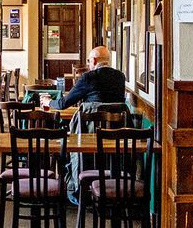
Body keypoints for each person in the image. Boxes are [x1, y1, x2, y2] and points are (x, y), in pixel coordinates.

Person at [40, 46, 127, 204]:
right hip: (115, 140)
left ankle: (76, 187)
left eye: (88, 61)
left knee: (65, 143)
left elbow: (63, 103)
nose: (88, 64)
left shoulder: (89, 78)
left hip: (89, 137)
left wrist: (48, 102)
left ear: (93, 61)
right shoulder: (120, 77)